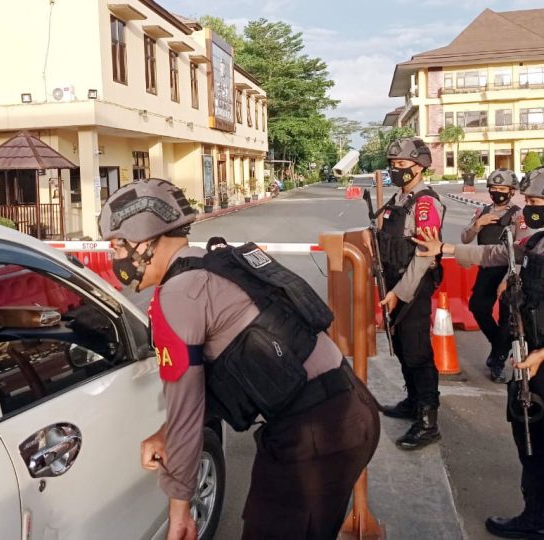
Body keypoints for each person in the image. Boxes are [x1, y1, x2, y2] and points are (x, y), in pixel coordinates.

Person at [98, 178, 379, 540]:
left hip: (313, 434)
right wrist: (166, 433)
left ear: (144, 241)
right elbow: (224, 380)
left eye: (118, 244)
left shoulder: (177, 296)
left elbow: (185, 411)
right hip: (349, 411)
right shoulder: (213, 262)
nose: (115, 257)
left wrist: (180, 511)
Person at [413, 165, 544, 539]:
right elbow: (494, 253)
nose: (527, 209)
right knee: (530, 449)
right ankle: (536, 521)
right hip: (526, 362)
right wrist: (445, 248)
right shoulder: (535, 243)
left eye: (534, 202)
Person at [373, 137, 446, 451]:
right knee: (402, 347)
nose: (396, 170)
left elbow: (426, 255)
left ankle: (428, 421)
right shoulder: (398, 200)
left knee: (417, 352)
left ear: (420, 167)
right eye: (393, 165)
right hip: (393, 282)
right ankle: (413, 401)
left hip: (412, 287)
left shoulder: (425, 203)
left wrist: (400, 293)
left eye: (402, 165)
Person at [459, 168, 528, 383]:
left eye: (502, 189)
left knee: (507, 319)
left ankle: (497, 361)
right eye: (493, 188)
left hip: (510, 272)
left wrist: (508, 279)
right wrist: (477, 225)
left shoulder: (519, 215)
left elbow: (522, 247)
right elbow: (465, 238)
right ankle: (498, 348)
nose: (497, 192)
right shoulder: (482, 212)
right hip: (487, 269)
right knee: (478, 307)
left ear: (511, 191)